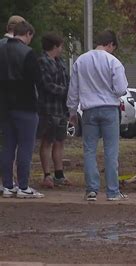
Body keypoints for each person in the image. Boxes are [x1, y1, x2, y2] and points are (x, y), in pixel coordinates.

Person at [67, 30, 128, 201]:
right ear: (111, 44)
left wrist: (72, 111)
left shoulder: (81, 61)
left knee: (89, 149)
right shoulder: (113, 61)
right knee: (111, 150)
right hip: (109, 108)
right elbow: (120, 89)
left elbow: (73, 90)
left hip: (89, 110)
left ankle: (92, 189)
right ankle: (113, 191)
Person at [0, 21, 44, 198]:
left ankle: (7, 185)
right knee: (25, 146)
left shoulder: (1, 49)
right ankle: (24, 186)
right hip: (25, 105)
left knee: (8, 145)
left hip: (5, 105)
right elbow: (37, 80)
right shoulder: (27, 52)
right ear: (27, 33)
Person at [37, 32, 71, 188]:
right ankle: (46, 175)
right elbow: (46, 85)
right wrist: (66, 91)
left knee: (59, 141)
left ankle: (59, 174)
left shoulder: (61, 62)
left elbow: (68, 81)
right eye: (61, 46)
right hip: (48, 108)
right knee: (47, 141)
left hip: (61, 108)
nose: (62, 49)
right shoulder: (42, 62)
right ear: (55, 46)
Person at [0, 15, 25, 193]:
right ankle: (12, 181)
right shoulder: (18, 49)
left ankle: (7, 181)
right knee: (13, 143)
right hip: (15, 101)